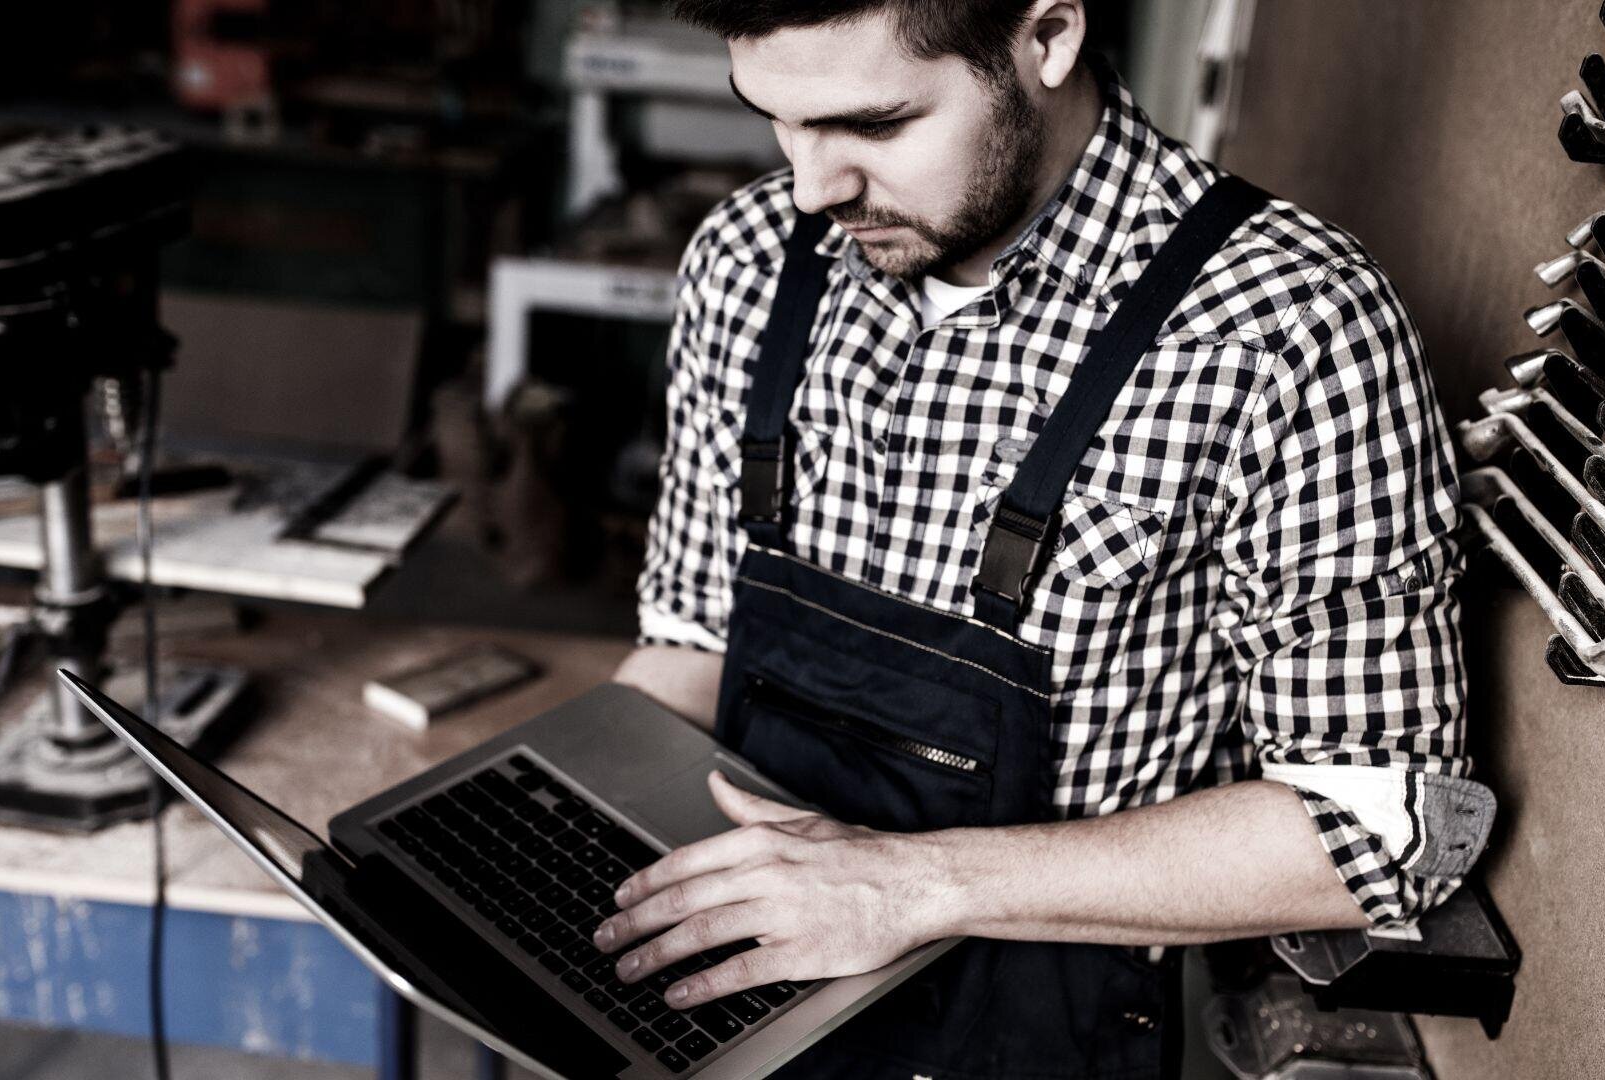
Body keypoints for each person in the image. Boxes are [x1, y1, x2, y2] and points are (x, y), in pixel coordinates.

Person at [595, 2, 1494, 1077]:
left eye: (873, 127)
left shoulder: (1287, 328)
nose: (809, 189)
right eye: (779, 122)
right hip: (736, 1003)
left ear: (1050, 36)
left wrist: (908, 889)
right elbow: (695, 646)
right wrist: (560, 849)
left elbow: (1374, 832)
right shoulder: (748, 262)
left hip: (1035, 1035)